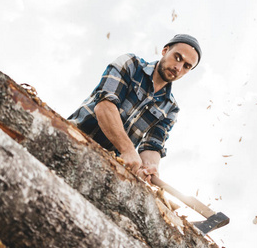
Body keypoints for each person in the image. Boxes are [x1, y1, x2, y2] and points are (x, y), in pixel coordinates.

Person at [68, 34, 201, 183]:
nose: (178, 67)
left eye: (187, 66)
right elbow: (105, 106)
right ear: (165, 50)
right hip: (74, 137)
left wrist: (149, 168)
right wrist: (127, 150)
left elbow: (152, 146)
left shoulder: (171, 109)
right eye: (177, 57)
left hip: (107, 167)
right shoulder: (131, 64)